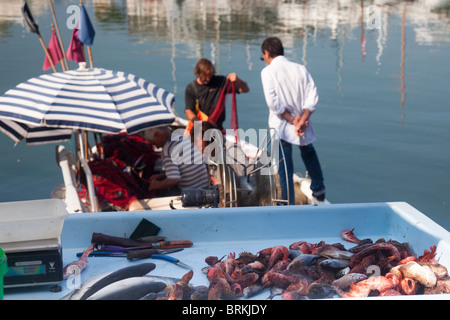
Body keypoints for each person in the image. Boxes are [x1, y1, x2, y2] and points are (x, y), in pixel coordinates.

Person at [260, 37, 326, 204]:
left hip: (282, 125)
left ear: (267, 53)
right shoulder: (300, 68)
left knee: (285, 167)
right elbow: (312, 97)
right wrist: (302, 119)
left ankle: (287, 202)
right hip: (302, 124)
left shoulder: (267, 72)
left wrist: (292, 120)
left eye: (264, 57)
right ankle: (318, 188)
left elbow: (273, 103)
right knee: (308, 151)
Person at [185, 58, 249, 131]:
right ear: (198, 73)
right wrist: (201, 124)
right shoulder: (191, 88)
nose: (208, 79)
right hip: (199, 128)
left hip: (217, 128)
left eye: (210, 75)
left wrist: (238, 80)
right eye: (205, 76)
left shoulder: (220, 82)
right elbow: (188, 112)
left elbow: (245, 89)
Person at [144, 126, 210, 196]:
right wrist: (161, 176)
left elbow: (174, 180)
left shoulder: (167, 149)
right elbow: (184, 168)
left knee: (159, 193)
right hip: (204, 187)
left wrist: (156, 185)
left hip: (192, 194)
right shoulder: (182, 138)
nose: (156, 147)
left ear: (157, 135)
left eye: (153, 142)